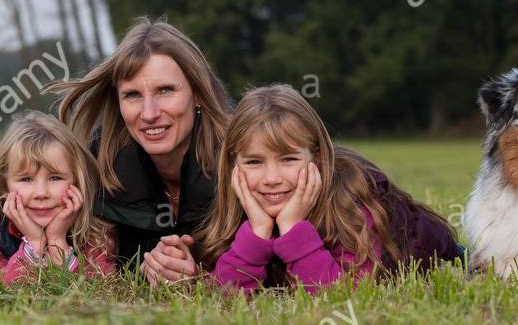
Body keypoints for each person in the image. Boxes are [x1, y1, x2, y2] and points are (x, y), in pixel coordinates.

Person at [196, 84, 462, 294]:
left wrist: (291, 228)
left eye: (288, 159)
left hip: (448, 261)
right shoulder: (240, 204)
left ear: (317, 159)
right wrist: (257, 233)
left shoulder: (354, 203)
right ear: (233, 166)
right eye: (254, 162)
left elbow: (340, 295)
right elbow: (226, 294)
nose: (272, 178)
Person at [48, 17, 233, 285]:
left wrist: (204, 276)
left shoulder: (244, 159)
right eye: (132, 95)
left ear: (199, 94)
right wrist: (145, 270)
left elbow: (273, 262)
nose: (149, 114)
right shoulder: (96, 165)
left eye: (165, 90)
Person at [0, 111, 116, 284]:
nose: (41, 193)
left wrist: (57, 240)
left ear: (78, 181)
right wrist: (35, 243)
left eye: (55, 178)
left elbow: (97, 289)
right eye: (26, 179)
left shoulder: (95, 232)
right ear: (5, 184)